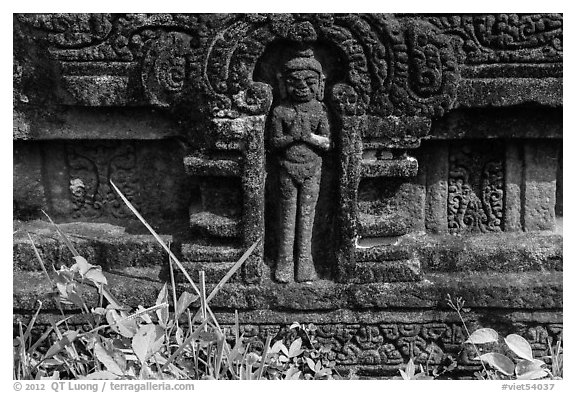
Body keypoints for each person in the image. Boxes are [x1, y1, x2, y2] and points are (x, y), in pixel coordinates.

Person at [268, 48, 332, 283]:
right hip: (287, 166)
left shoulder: (319, 110)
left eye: (309, 82)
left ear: (319, 85)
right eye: (295, 82)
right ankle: (284, 262)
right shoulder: (280, 111)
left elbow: (326, 142)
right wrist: (293, 137)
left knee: (307, 217)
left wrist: (308, 138)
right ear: (284, 84)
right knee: (287, 216)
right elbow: (274, 142)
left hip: (313, 167)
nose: (302, 87)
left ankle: (305, 262)